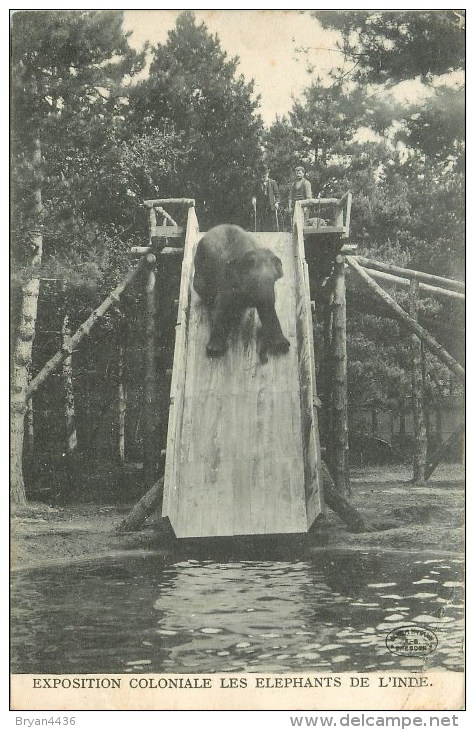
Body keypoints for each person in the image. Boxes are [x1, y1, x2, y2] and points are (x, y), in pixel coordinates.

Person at [251, 167, 279, 232]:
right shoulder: (257, 183)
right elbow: (254, 193)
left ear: (268, 173)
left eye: (265, 173)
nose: (264, 175)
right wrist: (254, 199)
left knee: (271, 221)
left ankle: (272, 236)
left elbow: (277, 194)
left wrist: (277, 202)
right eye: (263, 173)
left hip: (270, 204)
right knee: (261, 220)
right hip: (261, 204)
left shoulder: (273, 182)